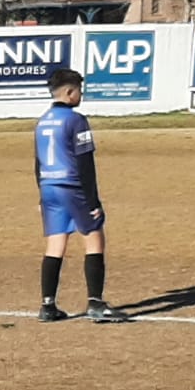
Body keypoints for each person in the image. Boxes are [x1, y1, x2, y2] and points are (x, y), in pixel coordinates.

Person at [34, 69, 129, 323]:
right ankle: (95, 303)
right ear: (69, 92)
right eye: (79, 90)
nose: (81, 95)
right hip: (72, 186)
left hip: (49, 186)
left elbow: (37, 162)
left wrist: (41, 194)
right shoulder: (76, 121)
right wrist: (93, 200)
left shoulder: (42, 121)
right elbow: (85, 162)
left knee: (55, 244)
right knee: (94, 238)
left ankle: (47, 305)